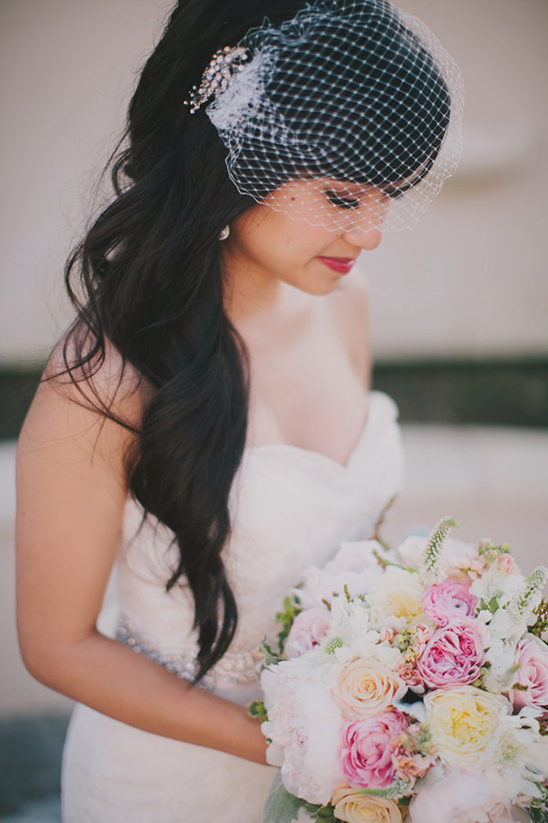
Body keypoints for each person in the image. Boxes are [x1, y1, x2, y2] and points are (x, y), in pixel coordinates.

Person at [15, 0, 462, 820]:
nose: (371, 233)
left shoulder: (343, 302)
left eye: (388, 194)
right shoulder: (104, 380)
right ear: (235, 158)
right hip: (164, 785)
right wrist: (296, 747)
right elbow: (58, 645)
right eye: (340, 195)